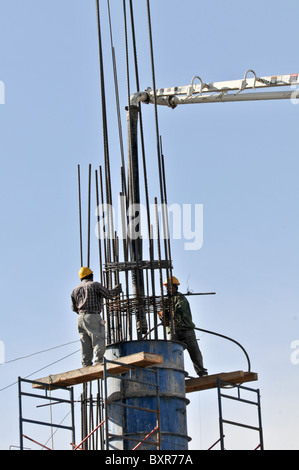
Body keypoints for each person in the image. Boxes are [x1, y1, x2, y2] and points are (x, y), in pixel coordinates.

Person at [71, 267, 122, 367]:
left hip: (80, 318)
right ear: (91, 276)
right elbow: (109, 294)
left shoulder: (75, 290)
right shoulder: (94, 285)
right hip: (93, 315)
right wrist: (117, 290)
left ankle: (86, 364)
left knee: (85, 342)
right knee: (98, 338)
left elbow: (73, 308)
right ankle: (98, 362)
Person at [159, 276, 208, 377]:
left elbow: (180, 313)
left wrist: (173, 315)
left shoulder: (180, 298)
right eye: (167, 286)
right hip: (173, 330)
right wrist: (163, 316)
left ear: (175, 287)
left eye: (170, 286)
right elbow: (163, 318)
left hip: (186, 329)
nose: (168, 288)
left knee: (194, 351)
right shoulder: (164, 301)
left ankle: (201, 372)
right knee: (172, 351)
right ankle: (175, 372)